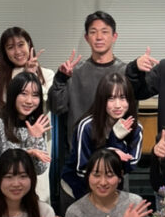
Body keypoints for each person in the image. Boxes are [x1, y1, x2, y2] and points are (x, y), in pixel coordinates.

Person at [0, 26, 55, 202]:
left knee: (38, 193)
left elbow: (47, 105)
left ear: (29, 45)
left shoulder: (47, 74)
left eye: (21, 44)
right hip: (7, 141)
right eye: (10, 47)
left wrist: (32, 76)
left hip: (38, 137)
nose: (17, 51)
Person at [60, 72, 143, 204]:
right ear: (102, 100)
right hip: (77, 188)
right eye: (111, 98)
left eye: (123, 98)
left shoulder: (136, 128)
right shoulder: (87, 126)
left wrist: (116, 140)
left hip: (110, 191)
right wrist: (112, 151)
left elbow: (130, 165)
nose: (117, 105)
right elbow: (82, 169)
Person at [48, 11, 126, 140]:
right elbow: (57, 108)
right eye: (93, 32)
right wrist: (61, 79)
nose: (99, 37)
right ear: (86, 37)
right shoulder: (74, 72)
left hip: (116, 146)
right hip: (80, 146)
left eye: (104, 32)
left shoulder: (124, 72)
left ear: (114, 36)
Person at [0, 72, 50, 194]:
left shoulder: (34, 125)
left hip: (22, 194)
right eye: (23, 94)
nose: (29, 101)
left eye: (35, 95)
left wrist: (35, 139)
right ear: (13, 94)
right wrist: (27, 152)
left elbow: (40, 169)